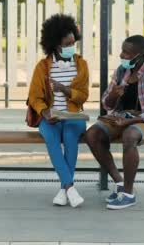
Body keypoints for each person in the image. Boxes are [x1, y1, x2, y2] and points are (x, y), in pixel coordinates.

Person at [84, 35, 144, 210]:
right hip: (121, 117)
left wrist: (132, 120)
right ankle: (120, 183)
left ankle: (129, 194)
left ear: (141, 54)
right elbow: (106, 104)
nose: (122, 55)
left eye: (127, 53)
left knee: (129, 135)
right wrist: (114, 95)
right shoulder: (121, 72)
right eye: (122, 51)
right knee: (92, 134)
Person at [27, 14, 89, 207]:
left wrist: (65, 89)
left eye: (73, 43)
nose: (71, 47)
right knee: (52, 139)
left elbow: (83, 95)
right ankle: (69, 187)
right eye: (67, 44)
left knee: (71, 138)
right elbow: (34, 97)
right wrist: (45, 111)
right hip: (50, 117)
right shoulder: (43, 67)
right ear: (55, 45)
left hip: (73, 116)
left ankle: (65, 188)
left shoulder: (81, 64)